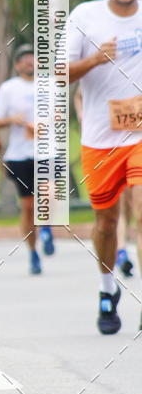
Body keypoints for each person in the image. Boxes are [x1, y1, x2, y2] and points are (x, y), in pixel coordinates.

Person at [68, 0, 142, 334]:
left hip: (140, 134)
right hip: (101, 138)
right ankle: (107, 288)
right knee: (106, 222)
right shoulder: (85, 17)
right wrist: (94, 59)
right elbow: (57, 73)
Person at [0, 44, 56, 275]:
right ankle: (33, 253)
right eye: (25, 59)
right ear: (17, 65)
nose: (30, 62)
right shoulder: (9, 89)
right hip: (19, 154)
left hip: (46, 150)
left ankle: (46, 228)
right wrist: (13, 120)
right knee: (28, 206)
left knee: (48, 193)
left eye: (33, 58)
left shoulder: (49, 85)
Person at [74, 84, 134, 279]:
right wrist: (82, 113)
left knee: (133, 205)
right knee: (117, 206)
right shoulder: (103, 76)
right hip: (108, 146)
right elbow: (79, 94)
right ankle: (122, 249)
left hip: (135, 142)